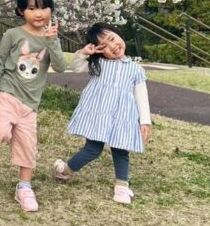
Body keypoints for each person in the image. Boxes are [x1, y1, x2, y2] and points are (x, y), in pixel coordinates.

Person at [0, 0, 66, 212]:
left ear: (51, 9)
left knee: (27, 146)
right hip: (6, 91)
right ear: (21, 11)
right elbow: (0, 61)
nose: (38, 13)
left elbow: (61, 67)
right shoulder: (12, 34)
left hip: (30, 103)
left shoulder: (51, 39)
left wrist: (52, 41)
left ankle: (24, 187)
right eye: (31, 8)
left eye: (43, 7)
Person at [52, 22, 152, 204]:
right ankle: (66, 170)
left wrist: (145, 121)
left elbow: (141, 96)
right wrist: (84, 53)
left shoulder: (136, 69)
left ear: (119, 35)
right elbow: (76, 67)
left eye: (113, 39)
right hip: (99, 114)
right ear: (99, 50)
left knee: (121, 150)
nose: (112, 46)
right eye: (104, 45)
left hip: (122, 117)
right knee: (92, 149)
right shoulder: (97, 64)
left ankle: (121, 187)